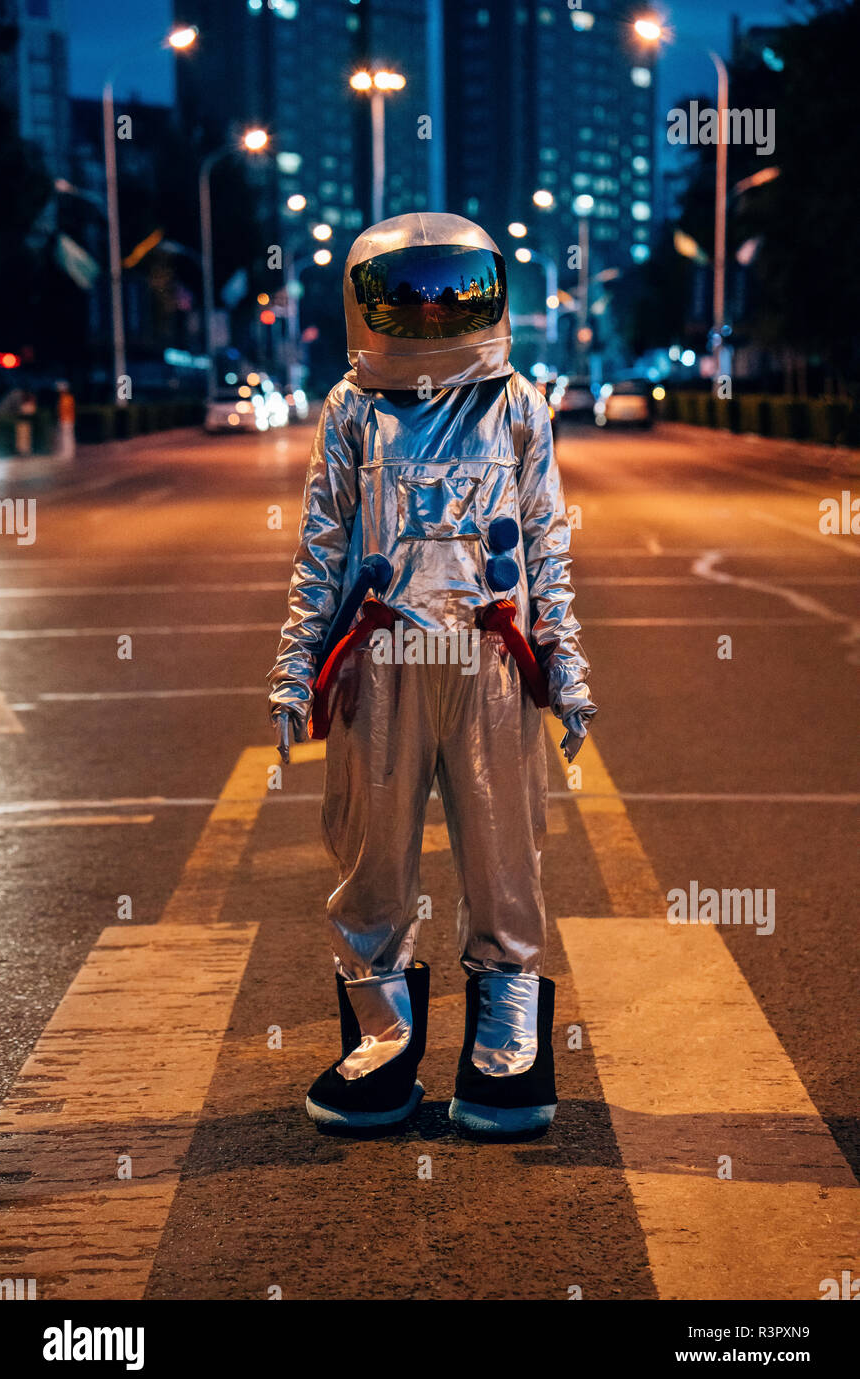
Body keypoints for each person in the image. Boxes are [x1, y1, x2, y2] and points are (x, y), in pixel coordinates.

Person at [267, 212, 596, 1138]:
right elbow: (321, 548)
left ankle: (506, 1057)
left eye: (452, 292)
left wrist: (564, 671)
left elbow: (546, 546)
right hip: (380, 659)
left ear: (489, 295)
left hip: (489, 658)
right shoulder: (350, 408)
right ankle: (381, 1046)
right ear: (364, 305)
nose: (429, 314)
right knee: (371, 861)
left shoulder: (516, 403)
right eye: (404, 297)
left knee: (504, 864)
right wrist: (297, 671)